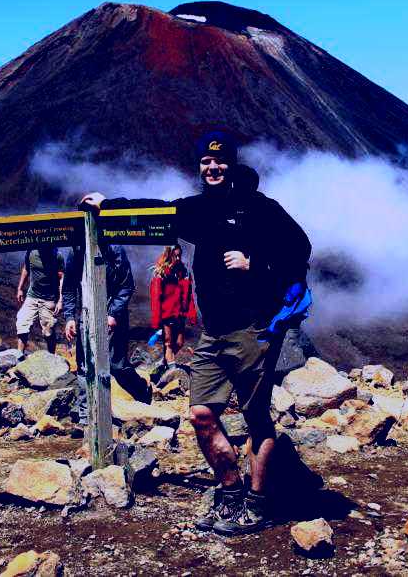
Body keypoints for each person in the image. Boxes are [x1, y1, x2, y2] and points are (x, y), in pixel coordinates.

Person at [81, 130, 311, 535]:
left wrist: (253, 263)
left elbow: (300, 249)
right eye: (206, 161)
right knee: (201, 414)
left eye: (219, 161)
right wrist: (108, 206)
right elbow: (157, 211)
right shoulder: (199, 209)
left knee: (256, 417)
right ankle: (230, 492)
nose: (212, 167)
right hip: (214, 331)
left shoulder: (260, 208)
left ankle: (257, 506)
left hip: (254, 329)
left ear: (232, 165)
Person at [62, 243, 153, 423]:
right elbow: (69, 287)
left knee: (115, 365)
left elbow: (126, 285)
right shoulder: (76, 251)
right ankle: (85, 417)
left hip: (113, 314)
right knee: (84, 365)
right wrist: (70, 317)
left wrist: (113, 313)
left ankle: (141, 390)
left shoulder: (115, 249)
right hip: (86, 315)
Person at [149, 245, 197, 386]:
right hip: (167, 313)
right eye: (175, 255)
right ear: (169, 255)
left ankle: (166, 361)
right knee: (169, 342)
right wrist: (157, 319)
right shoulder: (161, 272)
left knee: (179, 343)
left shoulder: (183, 271)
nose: (177, 258)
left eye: (179, 255)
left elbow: (188, 295)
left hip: (179, 313)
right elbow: (156, 297)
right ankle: (172, 370)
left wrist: (191, 312)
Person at [15, 246, 64, 354]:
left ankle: (51, 357)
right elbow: (26, 268)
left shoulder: (57, 256)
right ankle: (19, 356)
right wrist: (20, 289)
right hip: (32, 296)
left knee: (49, 331)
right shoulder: (31, 251)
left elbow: (61, 278)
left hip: (49, 299)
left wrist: (60, 300)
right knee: (22, 323)